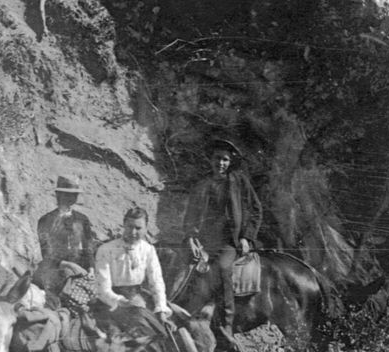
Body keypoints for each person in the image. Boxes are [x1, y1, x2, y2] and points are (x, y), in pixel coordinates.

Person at [186, 139, 263, 339]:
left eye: (225, 159)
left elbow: (256, 209)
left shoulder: (238, 182)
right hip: (204, 241)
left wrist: (247, 238)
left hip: (229, 242)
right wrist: (190, 237)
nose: (221, 163)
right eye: (217, 158)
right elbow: (191, 213)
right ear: (210, 160)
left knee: (221, 268)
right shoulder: (203, 183)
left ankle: (226, 325)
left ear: (230, 162)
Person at [95, 206, 170, 316]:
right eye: (130, 227)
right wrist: (122, 301)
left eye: (138, 228)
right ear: (124, 225)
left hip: (139, 297)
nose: (133, 232)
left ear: (145, 228)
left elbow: (156, 281)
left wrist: (161, 307)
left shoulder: (148, 250)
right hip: (113, 302)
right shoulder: (106, 249)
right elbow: (102, 288)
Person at [37, 175, 99, 270]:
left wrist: (91, 268)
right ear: (58, 194)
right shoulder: (46, 220)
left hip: (81, 267)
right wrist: (68, 265)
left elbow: (88, 249)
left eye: (74, 195)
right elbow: (46, 253)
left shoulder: (82, 219)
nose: (70, 198)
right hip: (55, 268)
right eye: (66, 194)